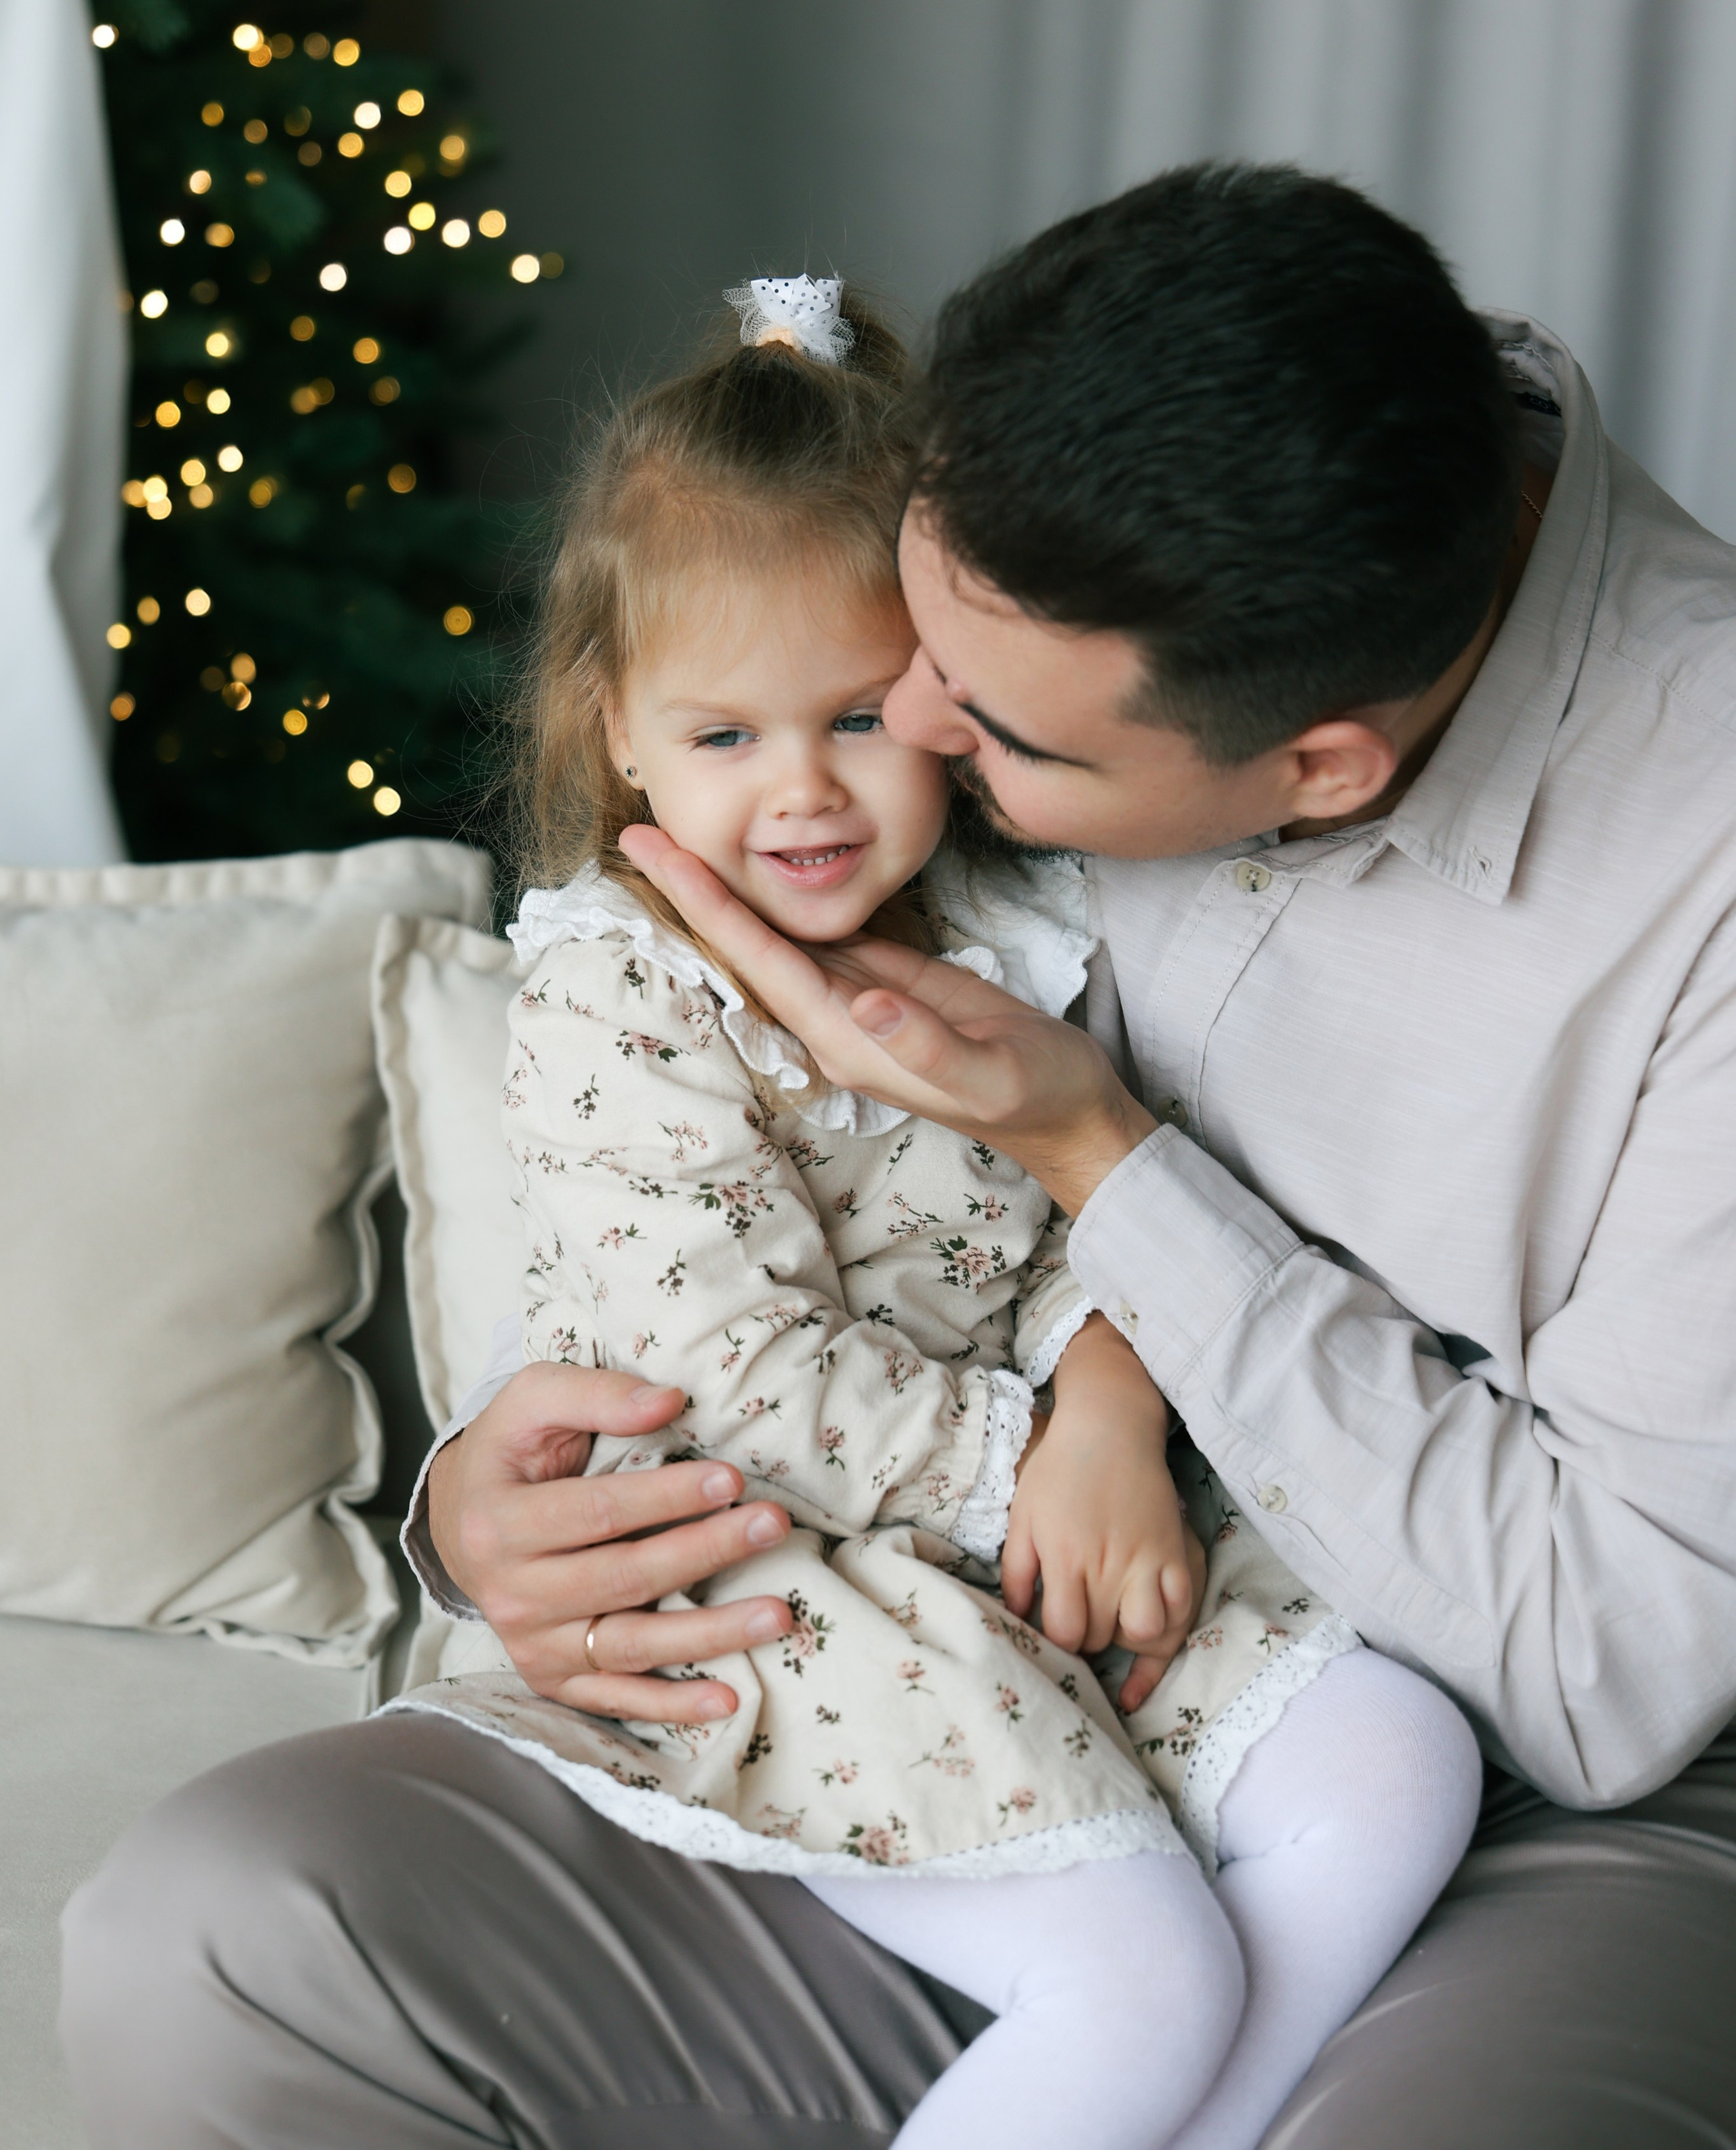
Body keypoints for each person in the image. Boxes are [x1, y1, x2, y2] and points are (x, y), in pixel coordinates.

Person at [60, 167, 1736, 2146]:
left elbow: (1601, 1681)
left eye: (966, 725)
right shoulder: (1137, 486)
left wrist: (1096, 1171)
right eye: (909, 635)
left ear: (1320, 773)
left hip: (1472, 1723)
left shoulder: (1690, 874)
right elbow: (713, 1239)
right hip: (910, 1590)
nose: (902, 734)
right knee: (214, 1928)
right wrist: (498, 1491)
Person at [381, 273, 1476, 2150]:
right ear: (618, 730)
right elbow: (713, 1360)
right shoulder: (611, 992)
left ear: (954, 710)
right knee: (1141, 1973)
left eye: (860, 719)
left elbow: (1115, 1216)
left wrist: (1115, 1413)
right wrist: (1029, 1457)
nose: (802, 790)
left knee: (1400, 1766)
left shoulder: (1024, 933)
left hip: (1041, 1514)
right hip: (776, 1555)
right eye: (723, 737)